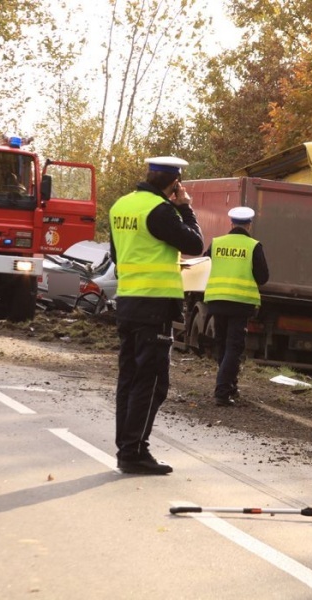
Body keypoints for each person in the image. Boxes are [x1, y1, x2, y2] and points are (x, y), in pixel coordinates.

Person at [109, 156, 203, 474]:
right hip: (155, 305)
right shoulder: (160, 210)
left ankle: (127, 448)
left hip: (127, 302)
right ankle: (135, 452)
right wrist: (186, 207)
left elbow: (115, 253)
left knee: (129, 378)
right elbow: (195, 243)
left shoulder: (121, 205)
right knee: (152, 382)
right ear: (174, 184)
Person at [203, 206, 269, 406]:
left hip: (217, 300)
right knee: (234, 347)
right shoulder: (253, 246)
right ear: (249, 225)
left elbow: (204, 265)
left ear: (231, 224)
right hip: (240, 304)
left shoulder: (217, 243)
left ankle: (230, 386)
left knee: (222, 344)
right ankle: (222, 391)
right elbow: (263, 277)